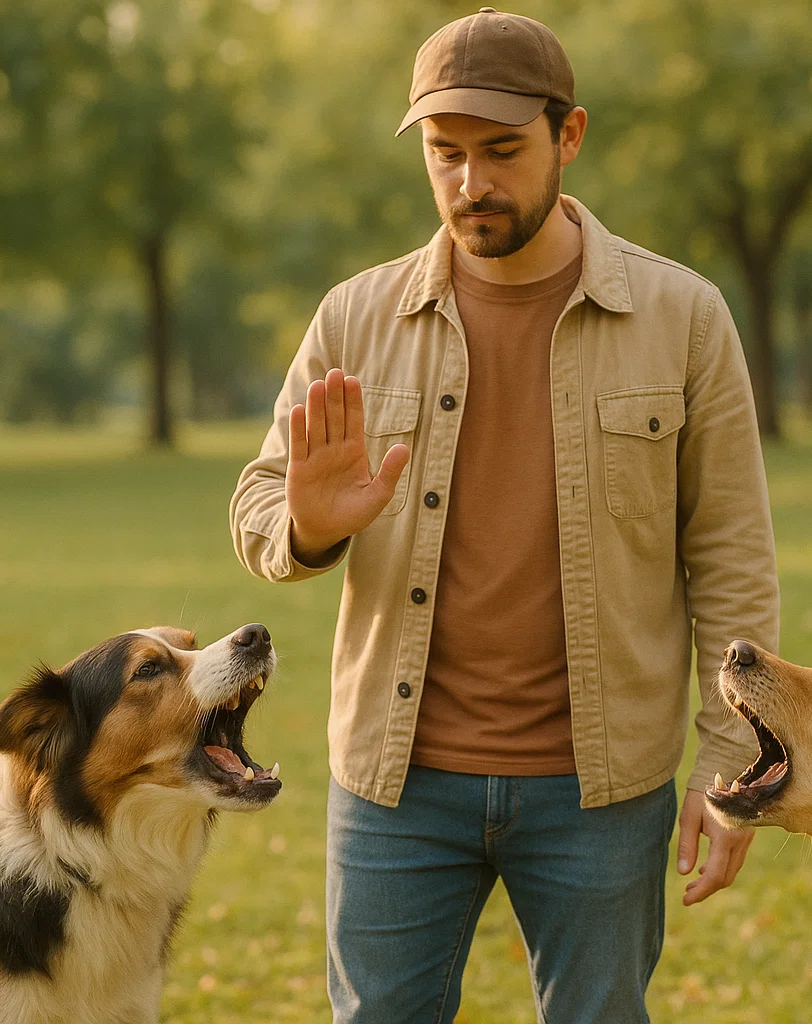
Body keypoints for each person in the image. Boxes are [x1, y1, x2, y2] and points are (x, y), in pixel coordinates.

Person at [231, 8, 778, 1022]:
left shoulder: (684, 317)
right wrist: (310, 525)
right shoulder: (355, 317)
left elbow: (732, 557)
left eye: (501, 151)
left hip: (599, 792)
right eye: (445, 154)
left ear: (569, 137)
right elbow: (263, 502)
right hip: (394, 788)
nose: (470, 183)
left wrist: (734, 756)